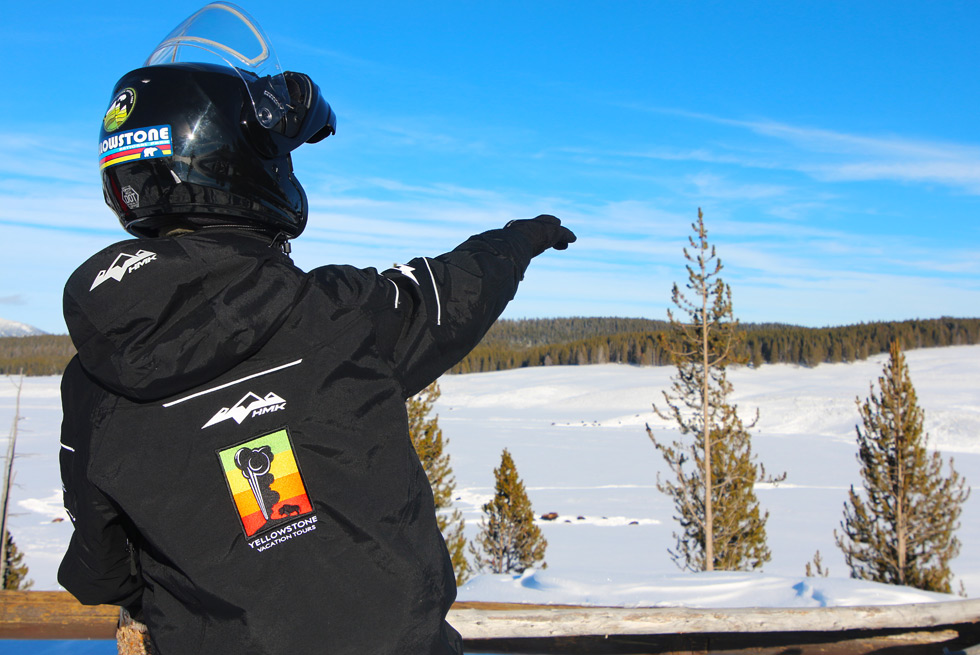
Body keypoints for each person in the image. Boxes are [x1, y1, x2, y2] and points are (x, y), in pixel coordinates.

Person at [58, 3, 575, 654]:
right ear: (245, 161)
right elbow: (448, 292)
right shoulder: (336, 314)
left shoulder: (94, 383)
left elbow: (100, 568)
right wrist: (517, 242)